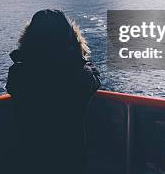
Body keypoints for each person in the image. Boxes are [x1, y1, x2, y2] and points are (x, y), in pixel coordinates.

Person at [6, 9, 101, 174]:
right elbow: (93, 77)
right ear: (69, 38)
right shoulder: (79, 77)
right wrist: (78, 51)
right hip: (69, 162)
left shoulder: (18, 74)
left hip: (28, 161)